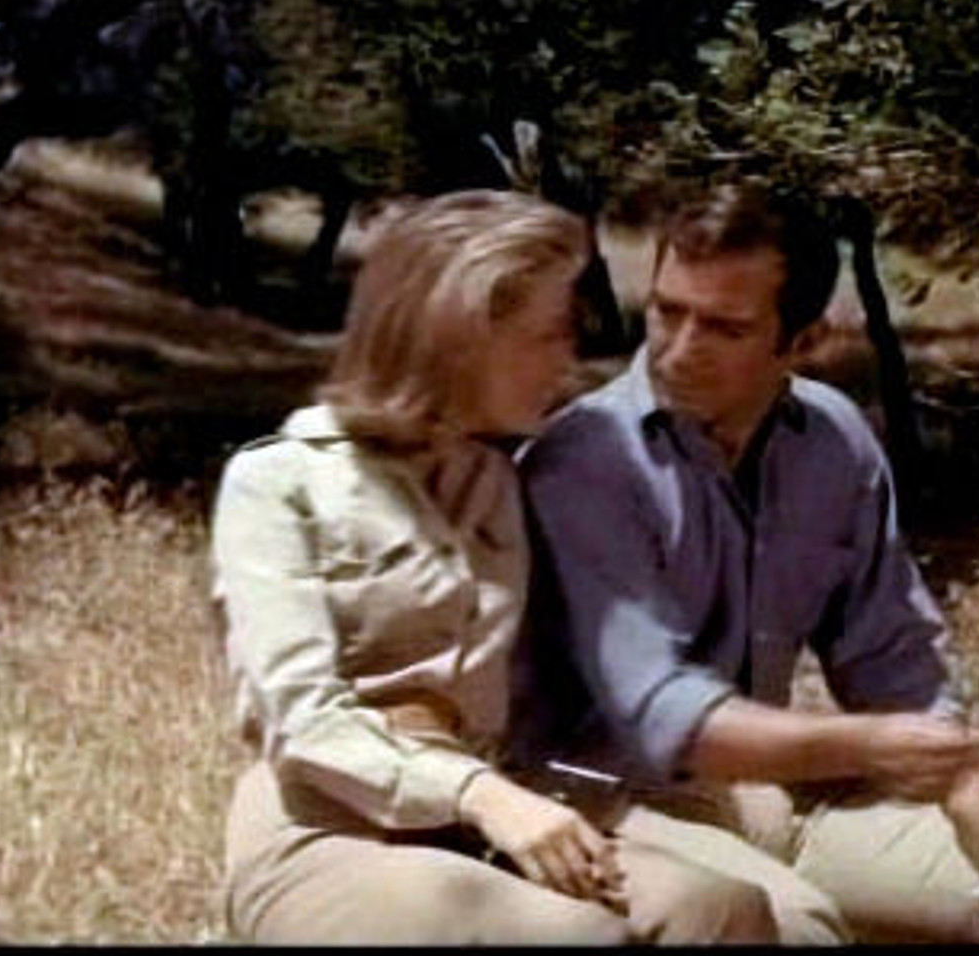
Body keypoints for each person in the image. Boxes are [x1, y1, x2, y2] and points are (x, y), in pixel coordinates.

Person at [514, 181, 979, 944]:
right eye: (667, 311)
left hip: (771, 795)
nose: (680, 349)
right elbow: (662, 715)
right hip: (607, 800)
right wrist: (865, 745)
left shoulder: (831, 439)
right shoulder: (588, 460)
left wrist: (956, 776)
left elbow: (890, 650)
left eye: (725, 327)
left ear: (804, 342)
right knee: (797, 929)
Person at [210, 189, 777, 944]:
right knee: (574, 935)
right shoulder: (280, 480)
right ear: (457, 338)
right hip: (329, 823)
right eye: (548, 333)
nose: (567, 358)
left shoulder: (496, 483)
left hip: (479, 817)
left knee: (720, 907)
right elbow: (302, 721)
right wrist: (483, 796)